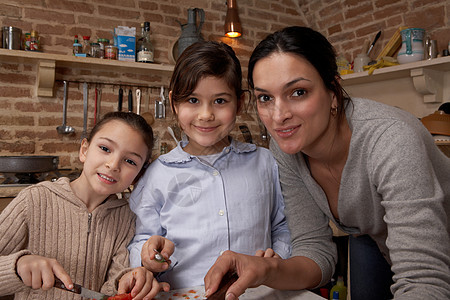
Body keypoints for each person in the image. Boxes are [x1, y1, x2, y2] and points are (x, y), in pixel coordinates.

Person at [204, 26, 450, 300]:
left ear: (333, 91)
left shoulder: (391, 139)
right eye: (265, 98)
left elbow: (424, 281)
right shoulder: (285, 149)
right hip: (381, 245)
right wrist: (267, 269)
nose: (278, 116)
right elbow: (314, 251)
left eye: (298, 92)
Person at [127, 41, 291, 290]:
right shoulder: (157, 175)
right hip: (184, 294)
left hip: (257, 294)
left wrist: (278, 257)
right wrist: (147, 255)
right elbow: (140, 238)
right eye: (193, 100)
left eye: (220, 101)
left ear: (240, 103)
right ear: (174, 103)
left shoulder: (264, 163)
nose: (206, 115)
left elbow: (282, 225)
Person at [0, 112, 169, 299]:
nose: (113, 165)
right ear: (84, 150)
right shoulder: (33, 200)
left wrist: (129, 281)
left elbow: (113, 286)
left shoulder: (127, 217)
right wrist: (16, 267)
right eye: (105, 148)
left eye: (130, 161)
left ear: (138, 174)